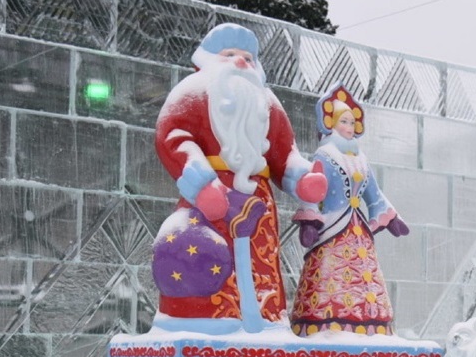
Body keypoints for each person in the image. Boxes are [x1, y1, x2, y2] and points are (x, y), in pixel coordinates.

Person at [152, 23, 326, 323]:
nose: (241, 61)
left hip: (259, 201)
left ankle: (266, 318)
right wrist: (202, 184)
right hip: (211, 200)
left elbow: (284, 151)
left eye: (248, 56)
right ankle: (205, 318)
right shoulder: (193, 91)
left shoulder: (267, 102)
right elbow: (173, 136)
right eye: (229, 53)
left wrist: (301, 178)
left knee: (262, 266)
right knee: (204, 256)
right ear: (208, 58)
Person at [289, 84, 409, 336]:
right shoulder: (324, 154)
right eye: (344, 121)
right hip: (332, 227)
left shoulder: (362, 159)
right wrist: (310, 219)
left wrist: (390, 215)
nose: (350, 126)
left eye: (353, 122)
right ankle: (326, 324)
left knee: (364, 276)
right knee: (330, 273)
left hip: (358, 231)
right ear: (331, 123)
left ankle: (369, 325)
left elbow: (374, 193)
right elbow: (314, 187)